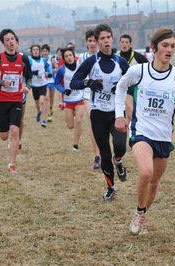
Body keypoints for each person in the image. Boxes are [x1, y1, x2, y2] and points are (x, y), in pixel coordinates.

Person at [114, 27, 175, 235]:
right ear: (154, 47)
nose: (169, 50)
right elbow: (120, 88)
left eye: (173, 46)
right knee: (146, 172)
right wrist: (119, 115)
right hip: (141, 132)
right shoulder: (138, 71)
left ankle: (143, 214)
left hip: (164, 137)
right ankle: (140, 212)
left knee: (155, 183)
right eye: (165, 45)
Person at [70, 23, 129, 201]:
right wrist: (88, 83)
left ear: (112, 38)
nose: (105, 41)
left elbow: (133, 84)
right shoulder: (91, 62)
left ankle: (118, 160)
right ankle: (111, 187)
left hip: (117, 112)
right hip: (98, 113)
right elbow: (74, 83)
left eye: (108, 37)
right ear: (97, 41)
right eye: (101, 38)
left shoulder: (121, 62)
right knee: (104, 153)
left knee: (119, 147)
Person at [0, 28, 32, 174]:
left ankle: (12, 164)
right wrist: (0, 82)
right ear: (3, 43)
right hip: (1, 100)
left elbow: (29, 78)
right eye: (7, 40)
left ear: (16, 41)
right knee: (4, 136)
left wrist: (27, 87)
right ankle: (10, 140)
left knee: (15, 130)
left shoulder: (23, 59)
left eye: (13, 39)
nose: (11, 41)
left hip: (17, 99)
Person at [77, 29, 101, 169]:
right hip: (88, 95)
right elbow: (79, 78)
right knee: (94, 122)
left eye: (95, 40)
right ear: (86, 42)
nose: (92, 43)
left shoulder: (104, 56)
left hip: (105, 96)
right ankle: (97, 156)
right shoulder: (82, 58)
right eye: (90, 41)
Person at [54, 47, 84, 151]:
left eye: (70, 55)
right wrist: (63, 90)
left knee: (79, 120)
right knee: (70, 126)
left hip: (80, 98)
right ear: (64, 58)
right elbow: (56, 83)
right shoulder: (62, 69)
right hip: (68, 100)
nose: (69, 58)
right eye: (66, 56)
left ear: (73, 55)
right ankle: (75, 121)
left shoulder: (80, 66)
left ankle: (75, 145)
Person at [118, 34, 149, 124]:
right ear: (120, 44)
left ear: (130, 44)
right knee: (130, 112)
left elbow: (149, 68)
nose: (124, 44)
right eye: (122, 42)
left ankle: (129, 133)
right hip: (125, 89)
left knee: (135, 113)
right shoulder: (116, 58)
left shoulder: (137, 57)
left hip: (137, 88)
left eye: (126, 42)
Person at [29, 44, 53, 127]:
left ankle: (44, 120)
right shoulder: (30, 61)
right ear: (31, 51)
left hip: (43, 84)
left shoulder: (43, 60)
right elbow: (27, 72)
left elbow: (48, 67)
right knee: (37, 103)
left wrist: (50, 73)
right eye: (34, 50)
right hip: (34, 85)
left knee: (43, 101)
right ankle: (39, 111)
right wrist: (32, 73)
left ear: (39, 51)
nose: (35, 51)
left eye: (37, 49)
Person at [41, 44, 57, 122]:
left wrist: (51, 71)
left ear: (48, 52)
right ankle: (48, 115)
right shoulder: (40, 60)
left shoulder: (52, 59)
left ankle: (50, 107)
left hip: (52, 81)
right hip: (45, 82)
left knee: (52, 98)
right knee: (46, 98)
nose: (45, 52)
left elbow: (57, 69)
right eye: (43, 51)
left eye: (46, 51)